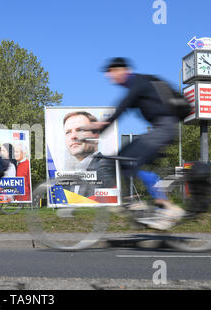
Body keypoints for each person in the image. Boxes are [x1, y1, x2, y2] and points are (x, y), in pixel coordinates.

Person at [97, 57, 186, 230]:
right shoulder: (137, 85)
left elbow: (121, 108)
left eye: (112, 74)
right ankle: (141, 207)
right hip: (161, 128)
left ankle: (167, 208)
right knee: (123, 158)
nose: (111, 79)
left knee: (127, 158)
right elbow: (123, 110)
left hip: (164, 128)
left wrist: (99, 128)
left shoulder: (137, 82)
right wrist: (100, 128)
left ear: (122, 70)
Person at [63, 111, 116, 197]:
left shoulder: (105, 168)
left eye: (80, 130)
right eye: (68, 132)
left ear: (96, 136)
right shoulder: (70, 175)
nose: (73, 136)